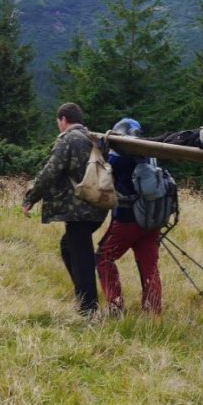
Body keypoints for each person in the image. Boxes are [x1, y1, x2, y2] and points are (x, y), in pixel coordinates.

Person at [23, 102, 106, 316]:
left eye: (58, 122)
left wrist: (31, 197)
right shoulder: (93, 138)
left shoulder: (68, 139)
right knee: (69, 247)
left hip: (78, 209)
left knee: (82, 255)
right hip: (98, 205)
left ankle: (88, 307)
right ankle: (84, 297)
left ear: (63, 120)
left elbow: (51, 171)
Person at [95, 118, 163, 315]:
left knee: (104, 257)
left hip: (127, 219)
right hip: (152, 220)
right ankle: (152, 310)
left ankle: (115, 306)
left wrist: (103, 152)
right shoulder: (150, 154)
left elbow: (103, 174)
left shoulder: (120, 157)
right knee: (148, 265)